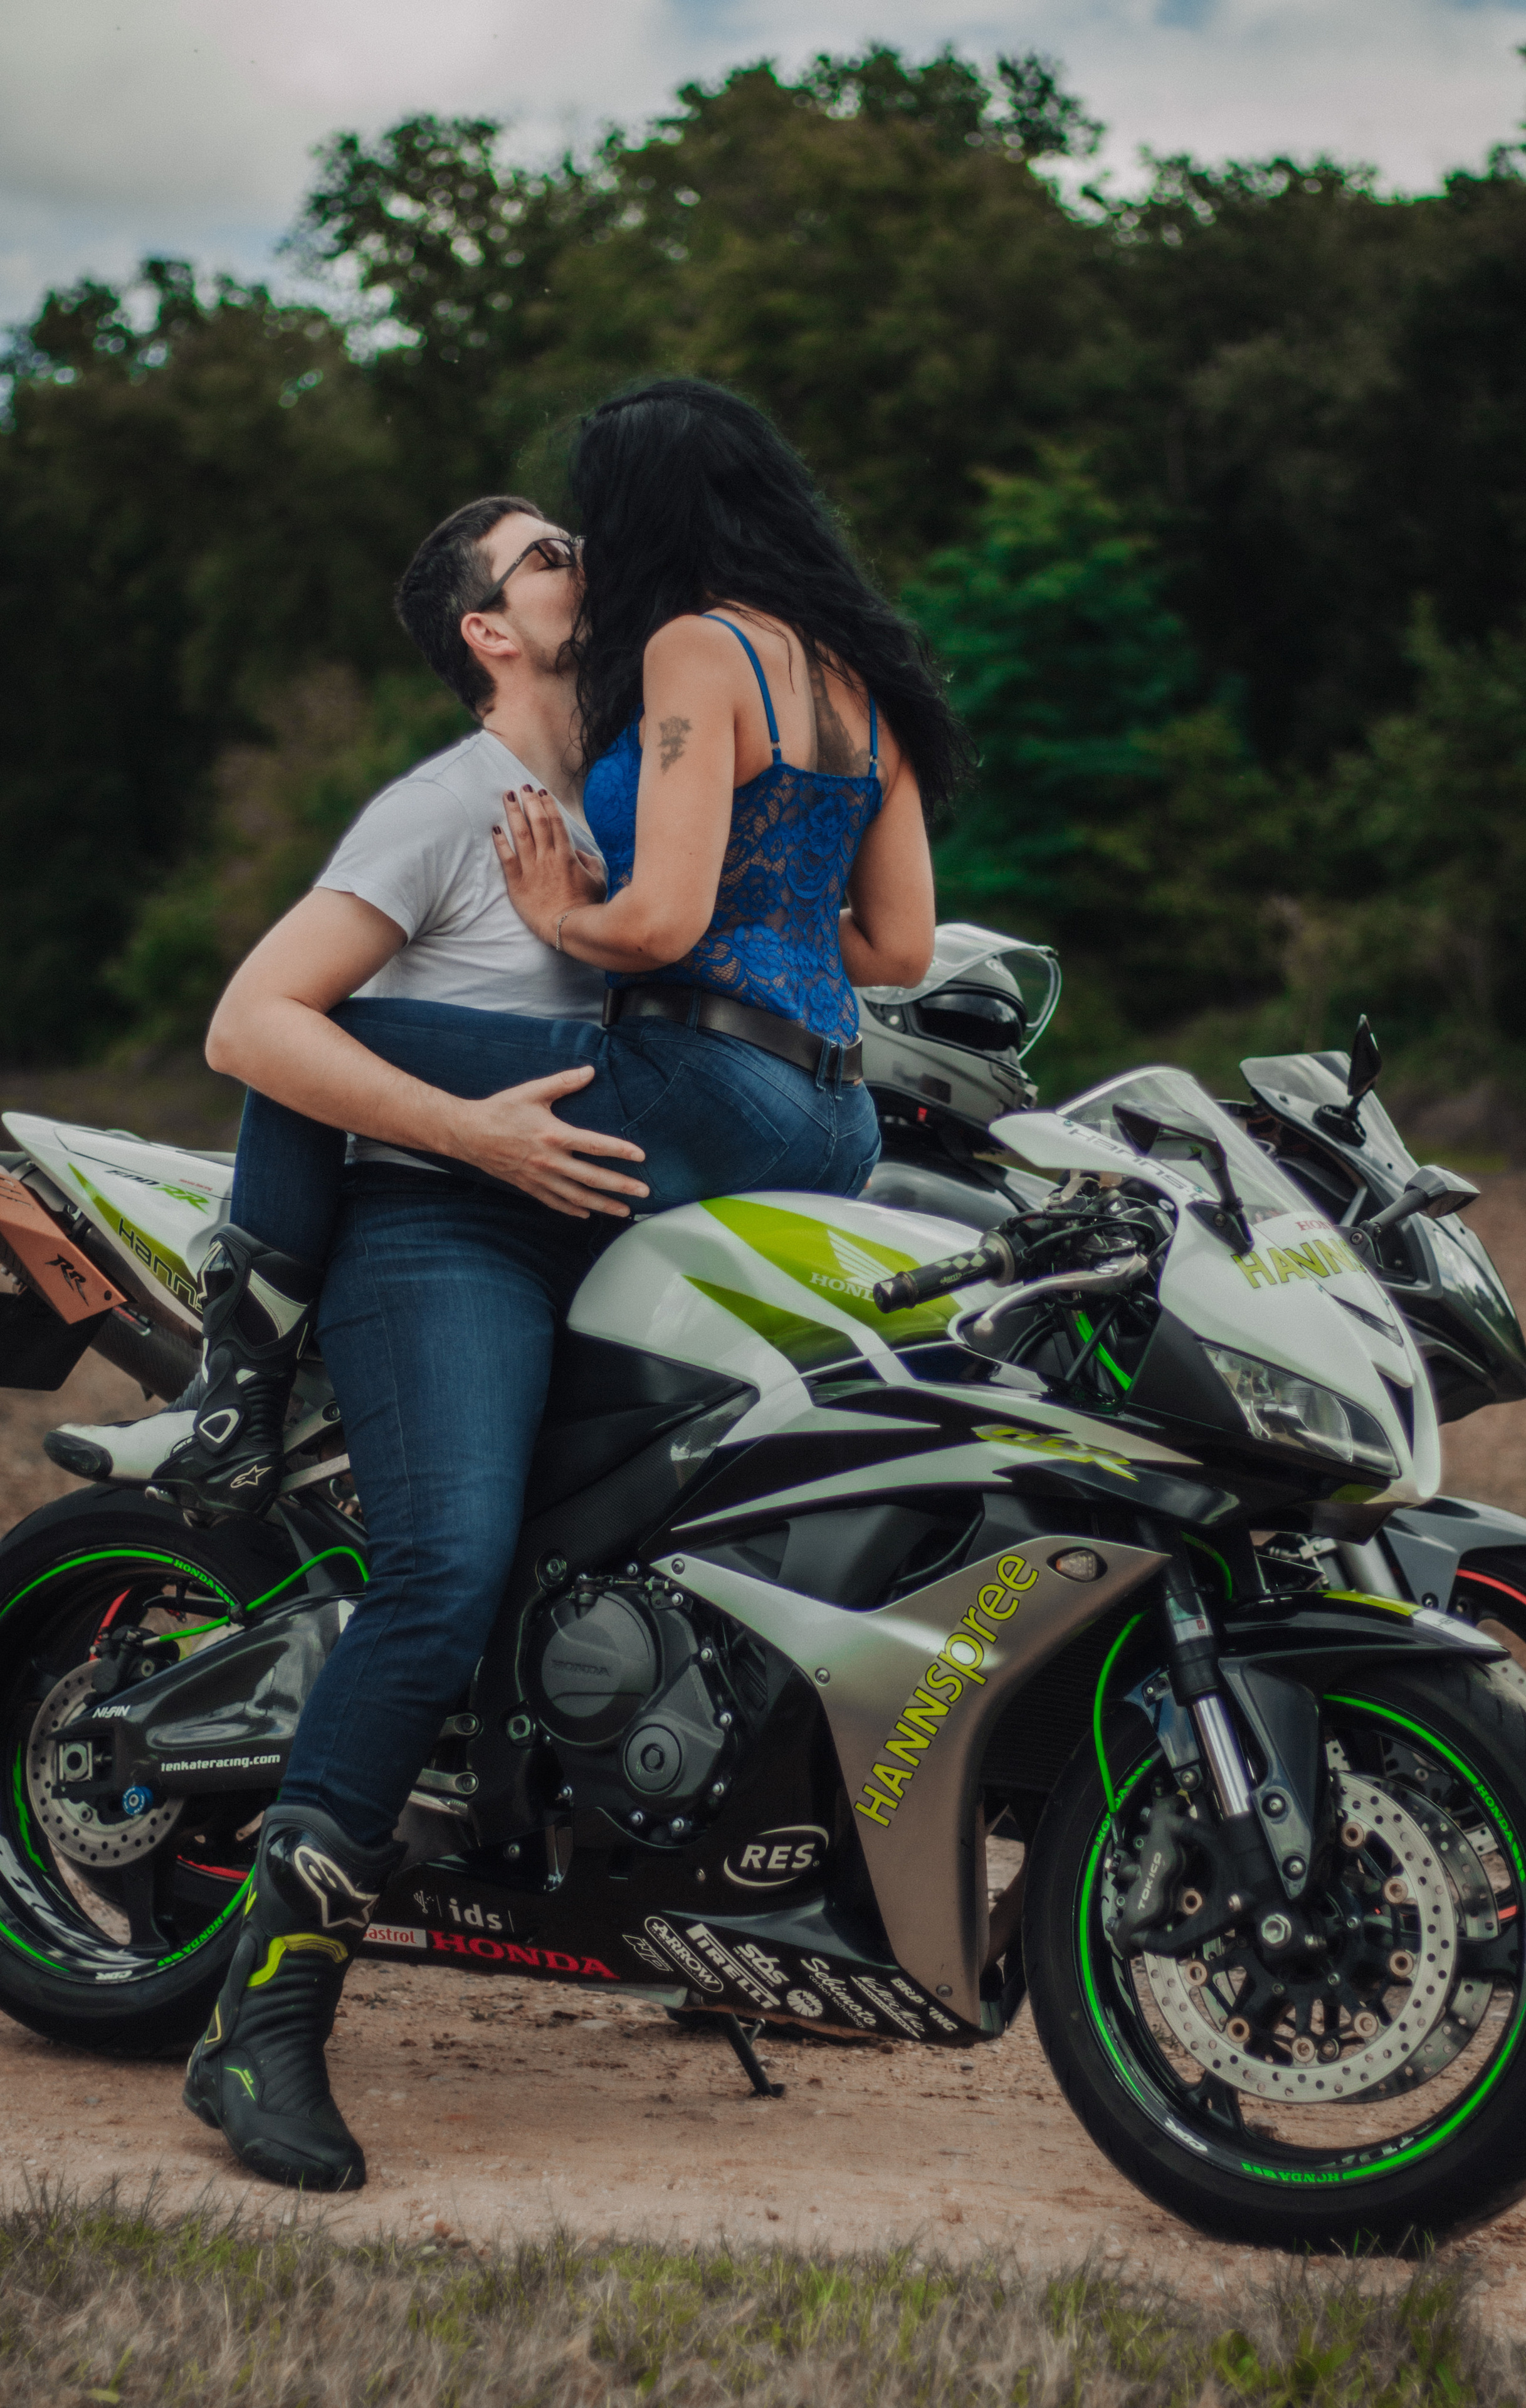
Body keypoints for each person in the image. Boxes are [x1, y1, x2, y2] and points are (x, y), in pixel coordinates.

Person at [75, 380, 969, 2194]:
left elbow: (827, 940)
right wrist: (478, 1141)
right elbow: (255, 1023)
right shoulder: (449, 803)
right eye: (548, 554)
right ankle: (264, 2024)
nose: (588, 558)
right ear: (493, 629)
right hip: (454, 1223)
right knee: (449, 1572)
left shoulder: (657, 767)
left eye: (583, 530)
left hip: (632, 1191)